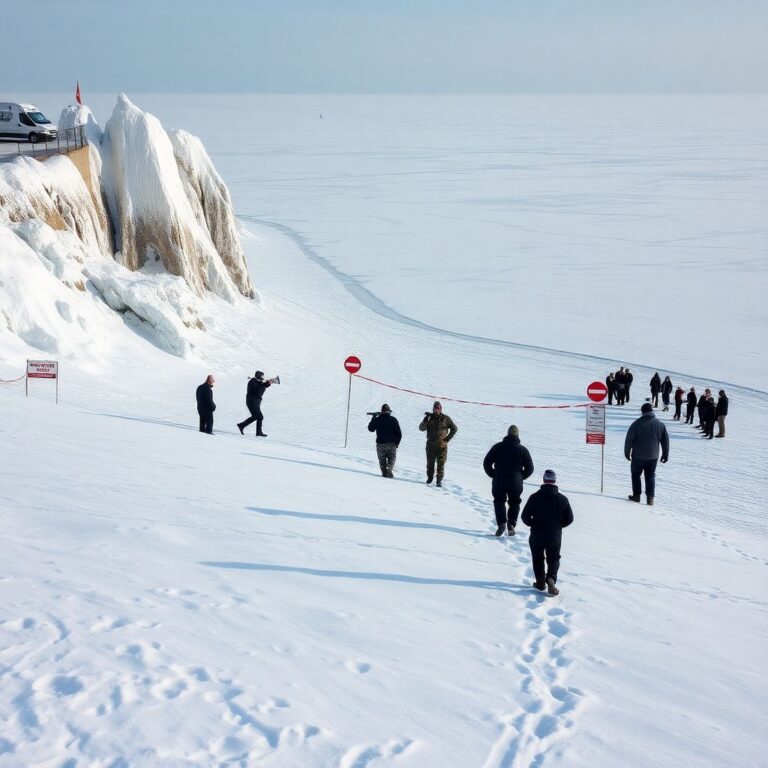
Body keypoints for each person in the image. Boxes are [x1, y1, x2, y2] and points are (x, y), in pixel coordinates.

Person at [521, 469, 573, 596]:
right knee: (553, 558)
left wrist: (533, 524)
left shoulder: (534, 497)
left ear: (544, 480)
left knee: (538, 558)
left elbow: (524, 516)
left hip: (537, 534)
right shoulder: (562, 499)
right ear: (554, 481)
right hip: (554, 535)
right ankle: (551, 579)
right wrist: (558, 526)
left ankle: (540, 583)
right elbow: (570, 519)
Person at [483, 425, 535, 537]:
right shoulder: (522, 450)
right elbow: (530, 468)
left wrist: (493, 474)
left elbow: (486, 462)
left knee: (499, 501)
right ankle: (511, 524)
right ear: (517, 435)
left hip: (499, 480)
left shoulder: (498, 447)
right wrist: (521, 477)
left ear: (508, 434)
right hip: (515, 482)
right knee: (514, 502)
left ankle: (501, 524)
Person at [624, 402, 669, 506]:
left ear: (642, 412)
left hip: (638, 455)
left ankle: (636, 496)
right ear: (652, 411)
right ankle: (650, 499)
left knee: (636, 474)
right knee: (650, 475)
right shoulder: (660, 424)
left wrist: (627, 452)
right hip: (653, 456)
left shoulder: (636, 424)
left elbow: (629, 439)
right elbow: (665, 441)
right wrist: (665, 454)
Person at [419, 401, 457, 487]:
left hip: (442, 446)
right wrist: (425, 420)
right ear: (433, 409)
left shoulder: (446, 419)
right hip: (430, 446)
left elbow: (454, 429)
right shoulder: (429, 418)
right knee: (430, 464)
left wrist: (447, 439)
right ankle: (430, 478)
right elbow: (421, 428)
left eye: (438, 408)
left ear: (440, 409)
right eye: (435, 408)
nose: (436, 410)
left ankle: (439, 480)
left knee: (441, 464)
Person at [368, 404, 402, 477]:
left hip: (380, 444)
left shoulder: (377, 419)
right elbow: (399, 433)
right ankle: (389, 469)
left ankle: (384, 473)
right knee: (392, 458)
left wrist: (373, 418)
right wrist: (397, 443)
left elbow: (371, 429)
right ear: (389, 412)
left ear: (381, 411)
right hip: (391, 444)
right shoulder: (393, 420)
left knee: (382, 460)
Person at [237, 371, 272, 437]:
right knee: (258, 416)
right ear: (259, 376)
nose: (263, 377)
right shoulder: (252, 382)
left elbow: (261, 387)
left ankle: (243, 426)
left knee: (259, 417)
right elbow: (258, 391)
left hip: (255, 402)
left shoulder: (257, 382)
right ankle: (242, 426)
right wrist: (266, 384)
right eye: (262, 376)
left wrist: (267, 384)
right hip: (252, 402)